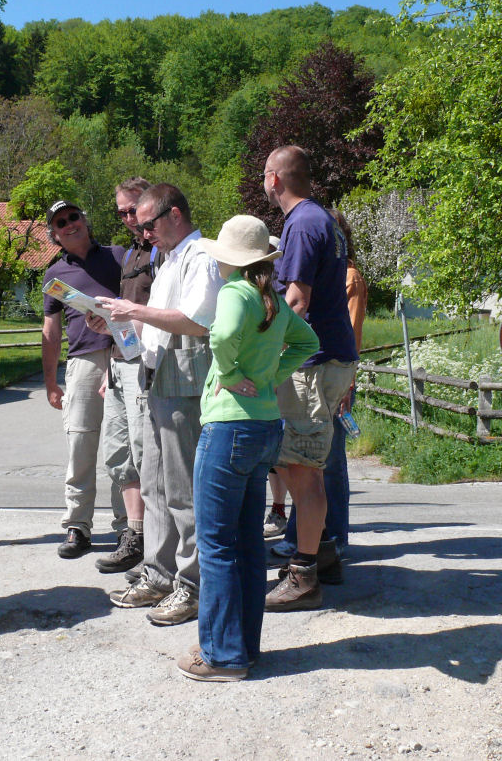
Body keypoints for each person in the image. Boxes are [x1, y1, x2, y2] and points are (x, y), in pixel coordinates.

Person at [177, 215, 318, 682]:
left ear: (230, 259)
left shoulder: (235, 292)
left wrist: (230, 371)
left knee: (217, 545)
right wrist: (271, 377)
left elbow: (220, 336)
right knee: (247, 543)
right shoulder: (271, 298)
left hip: (229, 428)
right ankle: (243, 648)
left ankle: (220, 656)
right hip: (264, 426)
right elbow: (308, 342)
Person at [92, 183, 223, 626]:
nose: (142, 232)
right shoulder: (166, 258)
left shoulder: (201, 256)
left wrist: (132, 310)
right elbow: (154, 329)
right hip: (156, 377)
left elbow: (197, 321)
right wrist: (112, 324)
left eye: (148, 223)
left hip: (184, 381)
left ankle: (193, 584)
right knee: (154, 485)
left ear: (175, 215)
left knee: (184, 489)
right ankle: (160, 574)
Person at [263, 146, 358, 612]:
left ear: (275, 179)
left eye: (265, 174)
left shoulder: (300, 223)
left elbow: (297, 302)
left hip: (312, 362)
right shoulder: (323, 219)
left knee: (302, 468)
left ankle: (303, 576)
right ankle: (322, 553)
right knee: (302, 463)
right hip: (330, 356)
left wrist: (264, 354)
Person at [272, 210, 367, 575]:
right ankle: (308, 538)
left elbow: (351, 331)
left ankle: (332, 540)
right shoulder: (321, 275)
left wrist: (348, 385)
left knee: (328, 463)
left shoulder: (348, 277)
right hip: (311, 368)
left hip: (329, 371)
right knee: (302, 460)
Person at [41, 200, 128, 559]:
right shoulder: (54, 274)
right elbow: (51, 330)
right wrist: (50, 381)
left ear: (85, 220)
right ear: (55, 234)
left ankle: (128, 526)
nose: (69, 224)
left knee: (123, 445)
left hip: (125, 355)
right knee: (80, 443)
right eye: (61, 223)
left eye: (74, 217)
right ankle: (78, 525)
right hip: (83, 362)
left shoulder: (120, 256)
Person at [95, 177, 161, 574]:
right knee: (119, 455)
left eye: (132, 210)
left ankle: (156, 542)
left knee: (145, 452)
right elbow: (127, 312)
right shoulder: (131, 253)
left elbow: (164, 315)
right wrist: (106, 330)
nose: (127, 219)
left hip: (148, 363)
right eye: (120, 213)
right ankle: (134, 536)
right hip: (121, 361)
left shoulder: (163, 252)